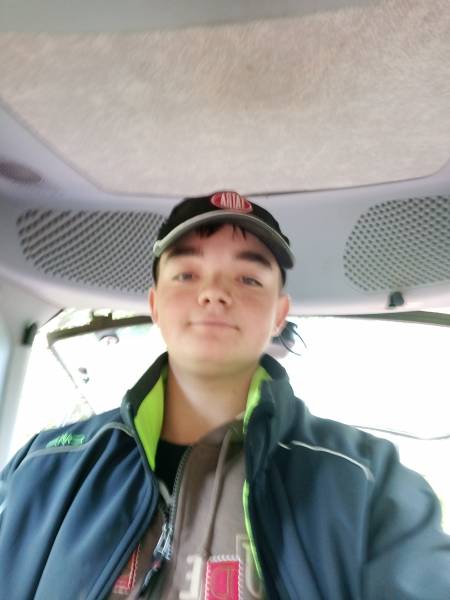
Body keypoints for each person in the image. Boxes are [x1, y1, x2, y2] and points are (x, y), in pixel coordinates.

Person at [0, 191, 449, 600]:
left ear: (279, 314)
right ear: (155, 305)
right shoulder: (43, 466)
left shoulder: (369, 480)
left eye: (249, 279)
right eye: (187, 274)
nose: (214, 293)